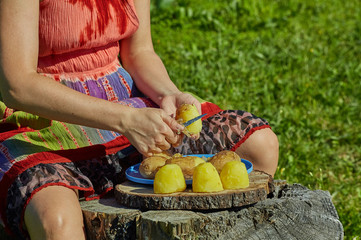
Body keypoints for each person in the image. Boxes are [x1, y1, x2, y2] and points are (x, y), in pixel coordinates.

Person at [0, 0, 279, 239]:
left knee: (260, 144)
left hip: (127, 104)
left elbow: (139, 51)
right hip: (38, 123)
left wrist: (167, 94)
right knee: (57, 221)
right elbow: (17, 85)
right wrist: (126, 120)